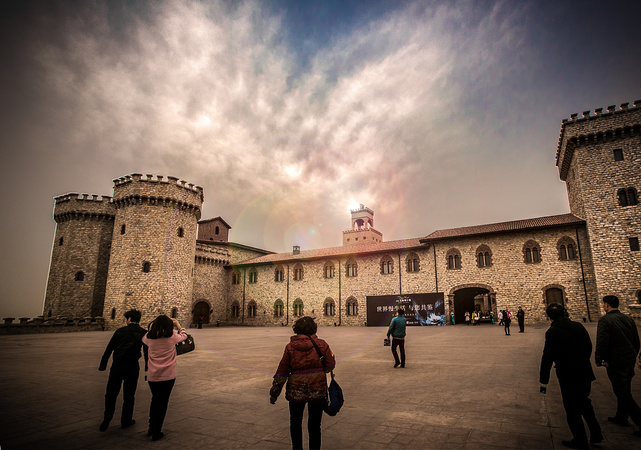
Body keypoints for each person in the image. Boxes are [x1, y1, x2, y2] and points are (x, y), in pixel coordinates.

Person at [540, 303, 602, 449]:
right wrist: (582, 360)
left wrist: (544, 381)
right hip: (584, 371)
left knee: (571, 409)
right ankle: (596, 433)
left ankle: (580, 440)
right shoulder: (578, 326)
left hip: (567, 374)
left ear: (548, 316)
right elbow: (588, 347)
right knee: (584, 402)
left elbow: (547, 357)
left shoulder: (552, 332)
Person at [270, 316, 336, 450]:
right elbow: (330, 366)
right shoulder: (322, 344)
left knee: (295, 424)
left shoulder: (290, 347)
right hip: (317, 390)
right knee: (315, 426)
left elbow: (282, 371)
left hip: (296, 392)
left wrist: (274, 393)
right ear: (314, 328)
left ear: (297, 329)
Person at [595, 295, 641, 437]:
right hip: (628, 359)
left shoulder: (605, 320)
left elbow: (602, 341)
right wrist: (633, 355)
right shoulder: (628, 318)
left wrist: (599, 358)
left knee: (621, 391)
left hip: (616, 361)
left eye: (603, 304)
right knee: (625, 388)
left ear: (607, 305)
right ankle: (621, 416)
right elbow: (636, 341)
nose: (603, 306)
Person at [98, 309, 147, 432]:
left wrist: (103, 364)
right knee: (129, 394)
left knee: (111, 393)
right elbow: (147, 353)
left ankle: (108, 414)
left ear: (129, 319)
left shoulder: (120, 331)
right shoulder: (143, 332)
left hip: (117, 366)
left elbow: (109, 349)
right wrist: (148, 369)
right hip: (132, 366)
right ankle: (126, 420)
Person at [142, 315, 188, 441]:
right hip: (168, 376)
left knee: (155, 400)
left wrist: (153, 326)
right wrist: (178, 326)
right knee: (163, 403)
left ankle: (152, 427)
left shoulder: (148, 337)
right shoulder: (171, 336)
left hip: (153, 376)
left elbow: (145, 336)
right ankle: (157, 431)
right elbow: (184, 336)